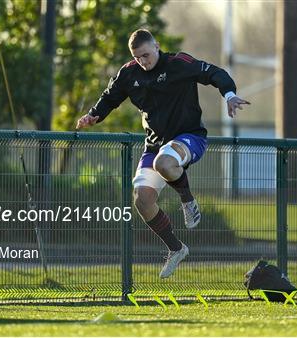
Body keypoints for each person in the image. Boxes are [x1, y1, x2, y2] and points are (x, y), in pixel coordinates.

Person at [76, 29, 250, 278]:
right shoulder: (129, 73)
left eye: (146, 55)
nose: (142, 62)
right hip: (154, 143)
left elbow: (214, 73)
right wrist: (94, 115)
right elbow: (110, 97)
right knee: (142, 200)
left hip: (189, 137)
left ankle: (188, 202)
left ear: (157, 46)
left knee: (165, 163)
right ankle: (176, 248)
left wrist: (230, 95)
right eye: (137, 58)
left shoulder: (179, 63)